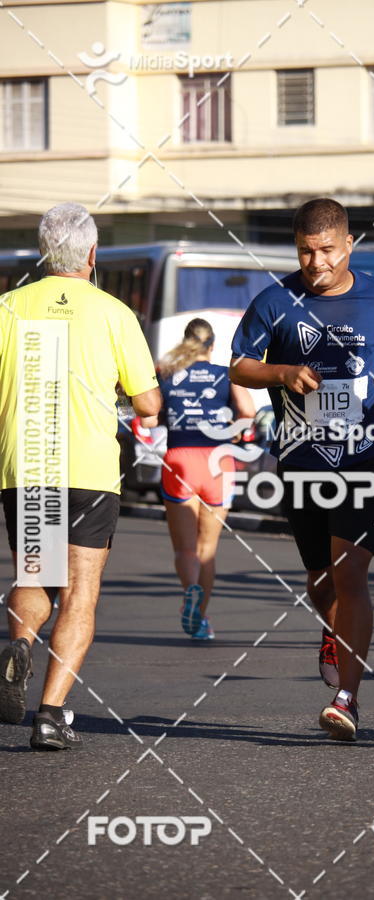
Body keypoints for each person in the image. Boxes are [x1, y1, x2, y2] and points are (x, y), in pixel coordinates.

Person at [229, 198, 374, 741]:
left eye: (327, 251)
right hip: (300, 462)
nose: (316, 263)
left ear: (349, 245)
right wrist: (282, 373)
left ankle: (348, 699)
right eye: (306, 252)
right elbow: (240, 367)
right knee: (320, 579)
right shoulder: (275, 300)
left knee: (351, 574)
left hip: (362, 459)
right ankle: (330, 630)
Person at [0, 202, 160, 750]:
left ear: (43, 251)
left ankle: (19, 645)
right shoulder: (114, 313)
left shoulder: (7, 309)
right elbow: (148, 404)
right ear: (93, 254)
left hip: (27, 465)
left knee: (37, 576)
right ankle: (50, 715)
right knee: (80, 595)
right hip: (89, 468)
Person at [149, 318, 254, 640]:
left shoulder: (166, 372)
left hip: (179, 458)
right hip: (217, 462)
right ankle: (200, 617)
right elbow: (248, 411)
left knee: (185, 550)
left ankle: (190, 591)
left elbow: (148, 414)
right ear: (212, 346)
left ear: (186, 340)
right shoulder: (226, 374)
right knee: (207, 547)